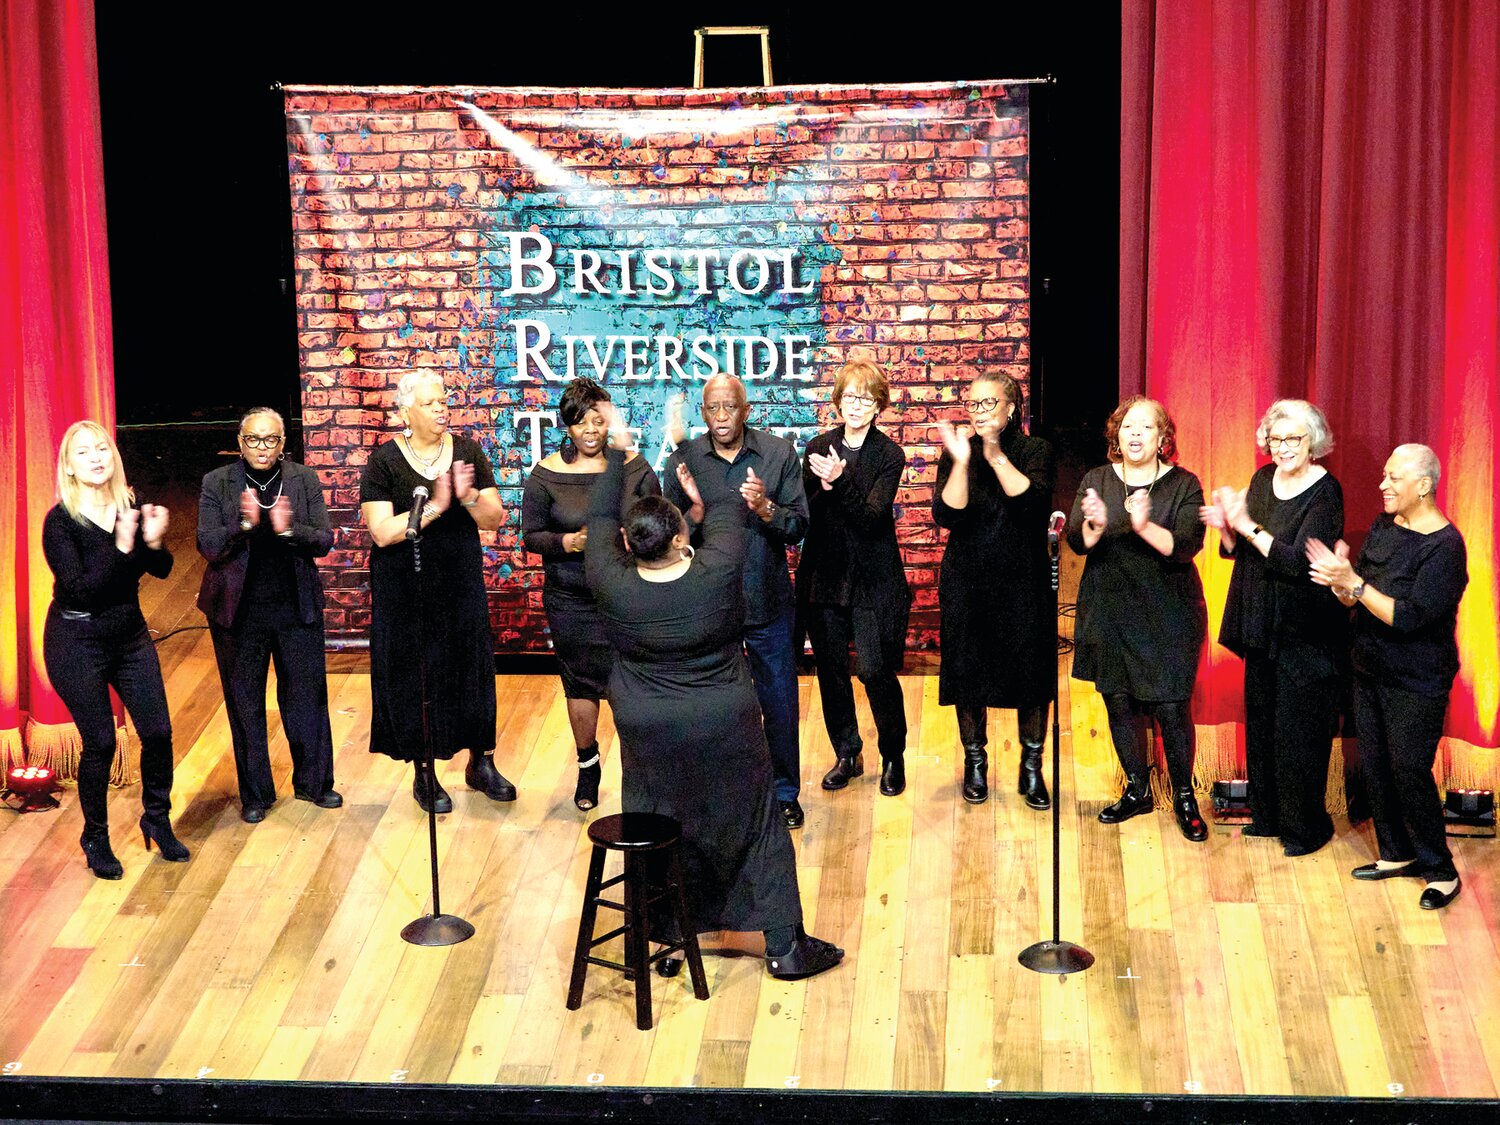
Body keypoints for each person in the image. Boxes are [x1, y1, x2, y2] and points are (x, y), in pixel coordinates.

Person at [583, 407, 843, 979]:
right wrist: (685, 449)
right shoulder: (716, 570)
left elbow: (599, 515)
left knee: (656, 818)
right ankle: (784, 947)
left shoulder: (610, 577)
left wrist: (622, 455)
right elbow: (727, 507)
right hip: (724, 722)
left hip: (646, 727)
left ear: (629, 542)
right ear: (681, 537)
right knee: (755, 824)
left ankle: (666, 936)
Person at [1308, 444, 1468, 910]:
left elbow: (1410, 617)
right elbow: (1359, 597)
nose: (1383, 485)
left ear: (1423, 486)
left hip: (1417, 678)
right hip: (1369, 667)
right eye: (1384, 475)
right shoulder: (1385, 526)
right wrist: (1341, 582)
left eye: (1393, 477)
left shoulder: (1445, 547)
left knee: (1409, 771)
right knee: (1375, 765)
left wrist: (1355, 583)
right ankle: (1397, 853)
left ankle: (1439, 869)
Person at [360, 371, 512, 812]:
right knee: (416, 673)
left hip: (459, 582)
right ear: (406, 411)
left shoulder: (466, 452)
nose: (441, 408)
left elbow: (494, 518)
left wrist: (464, 499)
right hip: (404, 589)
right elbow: (384, 532)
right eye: (430, 403)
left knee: (471, 666)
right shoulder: (384, 462)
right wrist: (437, 506)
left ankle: (479, 762)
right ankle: (423, 770)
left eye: (444, 400)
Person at [42, 420, 188, 878]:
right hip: (76, 640)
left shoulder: (131, 507)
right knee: (100, 743)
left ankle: (157, 818)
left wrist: (152, 541)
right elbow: (83, 590)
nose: (96, 458)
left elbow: (162, 569)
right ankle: (96, 837)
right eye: (83, 452)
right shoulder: (61, 522)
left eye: (101, 448)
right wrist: (126, 544)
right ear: (69, 466)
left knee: (159, 732)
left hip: (129, 636)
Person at [664, 374, 810, 828]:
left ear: (746, 410)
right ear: (703, 413)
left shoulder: (778, 454)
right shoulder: (684, 461)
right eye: (713, 408)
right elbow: (668, 539)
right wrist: (694, 510)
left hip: (766, 602)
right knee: (714, 706)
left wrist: (766, 508)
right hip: (709, 607)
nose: (722, 416)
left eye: (730, 407)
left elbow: (799, 526)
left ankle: (784, 793)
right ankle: (721, 794)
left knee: (780, 702)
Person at [1202, 400, 1344, 856]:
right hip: (1261, 622)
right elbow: (1244, 551)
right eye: (1275, 439)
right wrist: (1227, 531)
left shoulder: (1326, 492)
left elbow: (1301, 562)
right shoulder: (1263, 479)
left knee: (1298, 733)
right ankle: (1267, 818)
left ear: (1313, 442)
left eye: (1292, 439)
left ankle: (1306, 829)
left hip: (1304, 631)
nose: (1282, 448)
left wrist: (1247, 525)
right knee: (1262, 724)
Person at [1066, 396, 1209, 841]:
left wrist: (1143, 525)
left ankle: (1185, 796)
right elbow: (1077, 540)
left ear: (1163, 438)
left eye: (1146, 428)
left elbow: (1186, 545)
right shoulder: (1096, 479)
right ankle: (1137, 789)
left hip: (1167, 612)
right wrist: (1093, 526)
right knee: (1119, 701)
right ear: (1116, 434)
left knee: (1170, 706)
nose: (1135, 434)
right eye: (1128, 426)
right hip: (1109, 610)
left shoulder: (1184, 484)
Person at [521, 378, 660, 811]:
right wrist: (568, 544)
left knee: (633, 684)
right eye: (582, 423)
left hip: (625, 597)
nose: (592, 431)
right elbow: (531, 536)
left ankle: (643, 773)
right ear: (567, 426)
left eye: (599, 421)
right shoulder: (546, 475)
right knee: (580, 686)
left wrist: (630, 539)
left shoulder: (634, 468)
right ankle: (588, 766)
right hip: (570, 600)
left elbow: (658, 520)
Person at [197, 408, 341, 823]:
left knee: (305, 696)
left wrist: (288, 529)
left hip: (295, 606)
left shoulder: (302, 479)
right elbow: (208, 545)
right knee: (245, 703)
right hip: (238, 613)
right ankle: (255, 794)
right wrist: (243, 526)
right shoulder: (217, 482)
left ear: (283, 445)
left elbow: (324, 540)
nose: (263, 448)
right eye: (254, 440)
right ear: (240, 443)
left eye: (271, 440)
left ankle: (315, 784)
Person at [934, 372, 1056, 807]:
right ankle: (975, 762)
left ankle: (1032, 766)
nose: (980, 411)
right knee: (967, 673)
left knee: (1030, 673)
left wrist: (994, 453)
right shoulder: (957, 453)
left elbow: (1032, 504)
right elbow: (949, 514)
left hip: (1023, 580)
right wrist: (966, 460)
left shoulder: (1034, 449)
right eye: (974, 404)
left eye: (989, 403)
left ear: (1011, 410)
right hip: (967, 580)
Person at [801, 360, 913, 798]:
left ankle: (893, 754)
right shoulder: (817, 446)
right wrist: (823, 486)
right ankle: (847, 752)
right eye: (850, 396)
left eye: (866, 398)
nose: (856, 405)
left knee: (874, 669)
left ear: (879, 405)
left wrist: (839, 480)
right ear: (838, 400)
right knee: (831, 671)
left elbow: (870, 517)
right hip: (825, 577)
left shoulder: (889, 455)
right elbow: (806, 513)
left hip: (872, 580)